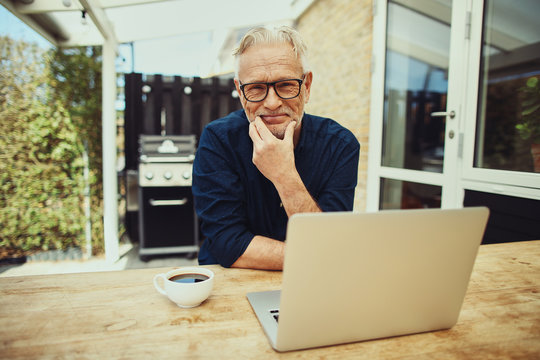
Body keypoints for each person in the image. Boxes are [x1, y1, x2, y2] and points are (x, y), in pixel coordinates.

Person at [192, 26, 360, 270]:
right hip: (232, 284)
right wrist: (317, 256)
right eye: (256, 88)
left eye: (285, 85)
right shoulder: (218, 141)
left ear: (307, 86)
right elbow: (227, 243)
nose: (272, 103)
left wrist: (284, 175)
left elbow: (331, 241)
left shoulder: (340, 145)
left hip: (310, 283)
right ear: (240, 92)